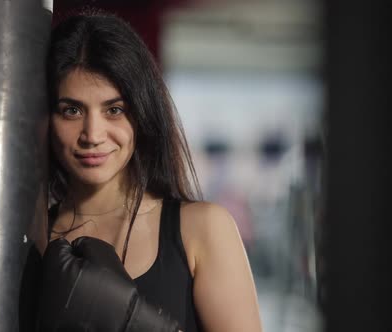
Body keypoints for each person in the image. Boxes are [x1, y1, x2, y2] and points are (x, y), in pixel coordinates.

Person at [30, 11, 262, 332]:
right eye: (72, 110)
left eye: (114, 110)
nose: (93, 134)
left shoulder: (202, 230)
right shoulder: (32, 239)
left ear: (142, 113)